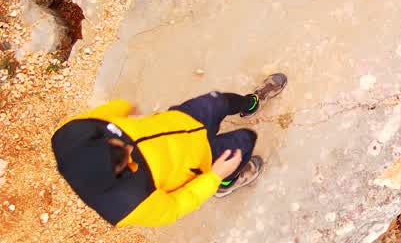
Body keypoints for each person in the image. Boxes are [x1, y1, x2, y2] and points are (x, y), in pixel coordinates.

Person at [50, 74, 288, 227]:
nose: (127, 146)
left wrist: (127, 111)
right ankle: (225, 183)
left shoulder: (71, 134)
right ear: (117, 177)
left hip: (177, 121)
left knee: (220, 101)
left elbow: (105, 113)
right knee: (245, 140)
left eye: (115, 141)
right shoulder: (129, 205)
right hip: (200, 161)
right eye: (123, 158)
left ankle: (251, 103)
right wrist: (213, 176)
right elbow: (176, 205)